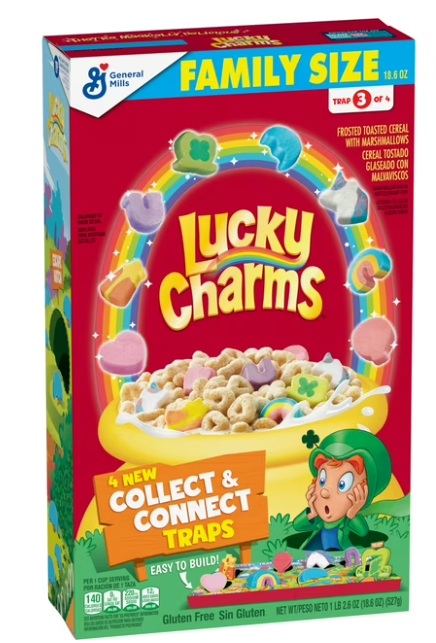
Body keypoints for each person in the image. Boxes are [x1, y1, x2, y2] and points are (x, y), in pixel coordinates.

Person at [293, 428, 392, 551]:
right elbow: (297, 525)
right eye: (322, 480)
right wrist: (312, 513)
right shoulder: (318, 518)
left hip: (339, 554)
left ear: (363, 492)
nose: (324, 492)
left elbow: (362, 532)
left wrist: (352, 513)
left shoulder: (346, 520)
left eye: (342, 484)